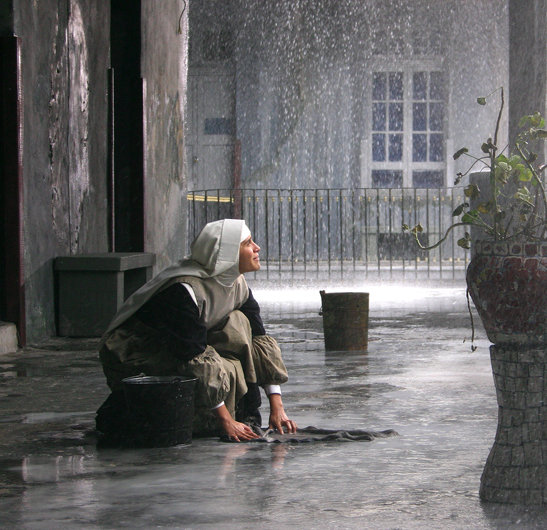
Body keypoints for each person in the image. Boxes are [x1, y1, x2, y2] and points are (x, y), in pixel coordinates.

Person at [96, 219, 297, 443]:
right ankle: (131, 410)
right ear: (227, 252)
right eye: (248, 243)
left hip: (185, 348)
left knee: (239, 324)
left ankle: (245, 412)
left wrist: (277, 406)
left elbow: (258, 341)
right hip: (138, 353)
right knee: (221, 368)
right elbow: (190, 354)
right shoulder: (184, 289)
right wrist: (225, 421)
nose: (257, 248)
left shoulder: (236, 284)